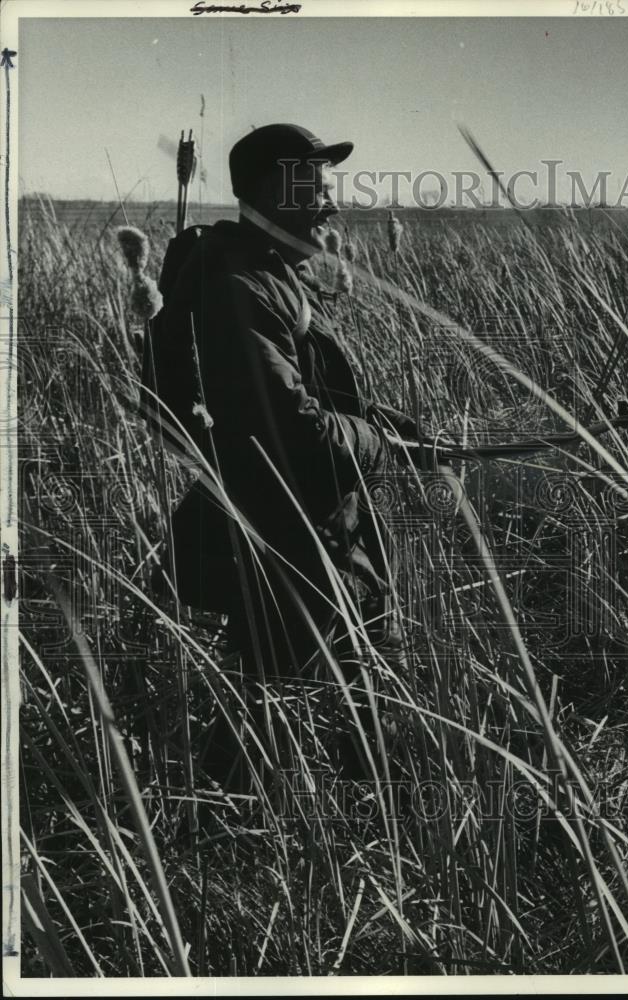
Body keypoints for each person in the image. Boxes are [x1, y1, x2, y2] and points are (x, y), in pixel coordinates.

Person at [141, 123, 418, 788]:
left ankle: (342, 823)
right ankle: (215, 843)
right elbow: (294, 436)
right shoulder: (246, 287)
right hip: (295, 543)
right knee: (286, 710)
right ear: (273, 190)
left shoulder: (269, 276)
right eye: (316, 189)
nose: (332, 205)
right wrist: (379, 444)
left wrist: (394, 429)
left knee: (295, 702)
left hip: (311, 536)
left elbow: (306, 400)